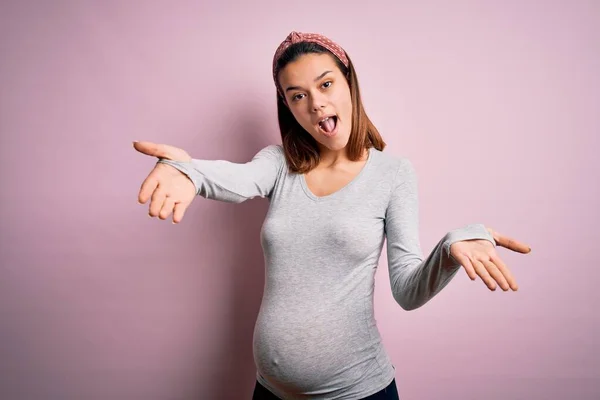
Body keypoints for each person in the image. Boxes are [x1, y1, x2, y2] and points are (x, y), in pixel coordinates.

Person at [133, 31, 531, 400]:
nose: (316, 103)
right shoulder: (279, 163)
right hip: (269, 392)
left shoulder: (392, 174)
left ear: (348, 83)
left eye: (325, 85)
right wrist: (189, 170)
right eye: (297, 95)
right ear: (287, 107)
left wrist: (448, 248)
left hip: (359, 393)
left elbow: (407, 291)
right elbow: (236, 181)